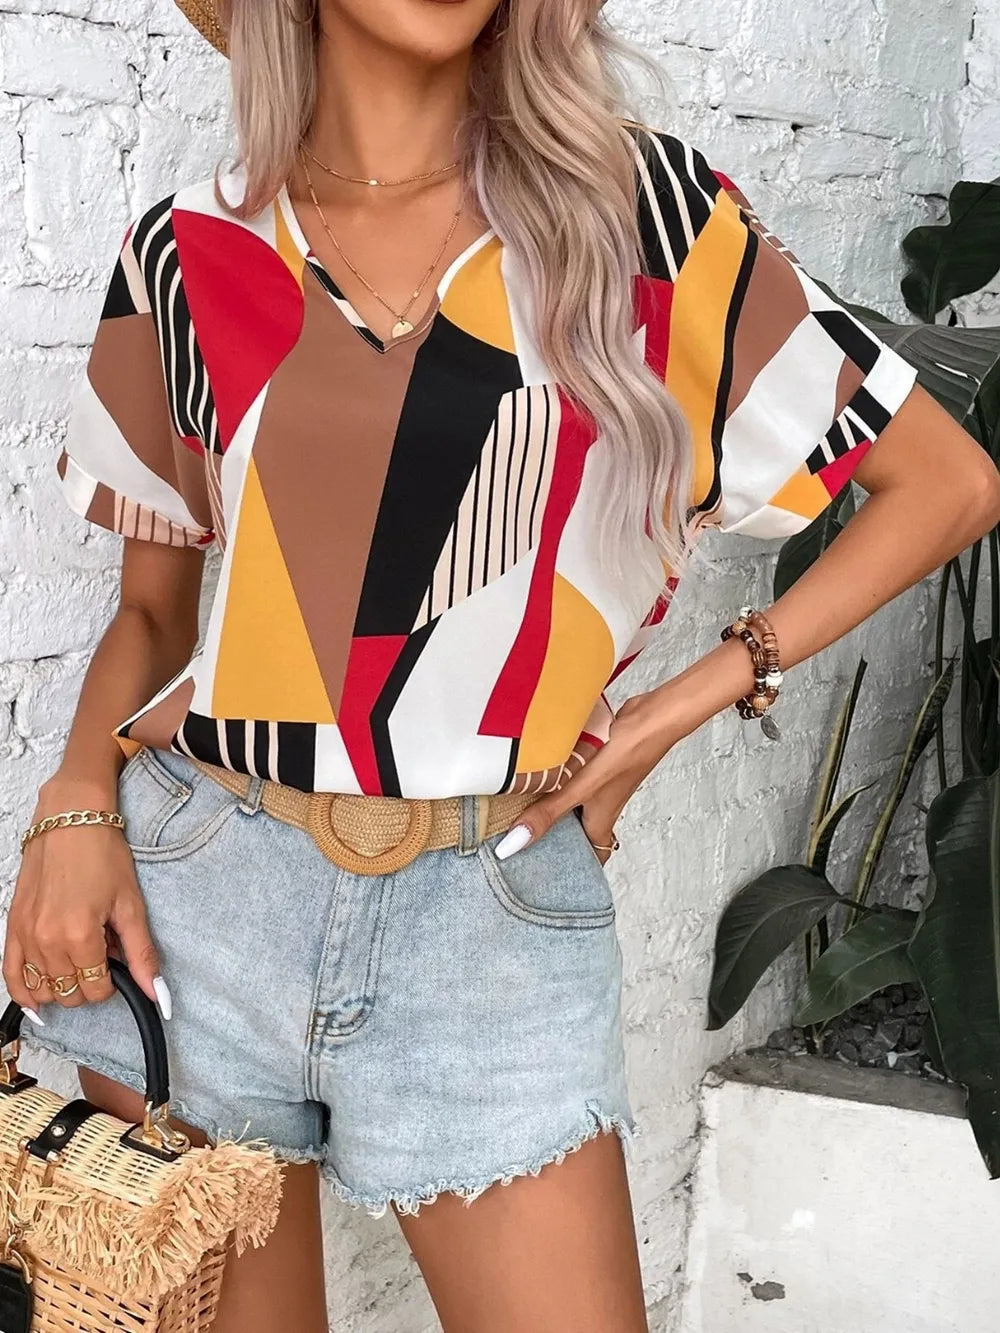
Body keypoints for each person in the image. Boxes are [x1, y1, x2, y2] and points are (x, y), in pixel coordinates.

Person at [5, 1, 998, 1329]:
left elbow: (946, 482)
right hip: (202, 896)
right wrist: (73, 808)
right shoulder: (184, 253)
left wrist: (668, 712)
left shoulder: (642, 219)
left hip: (488, 914)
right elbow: (150, 609)